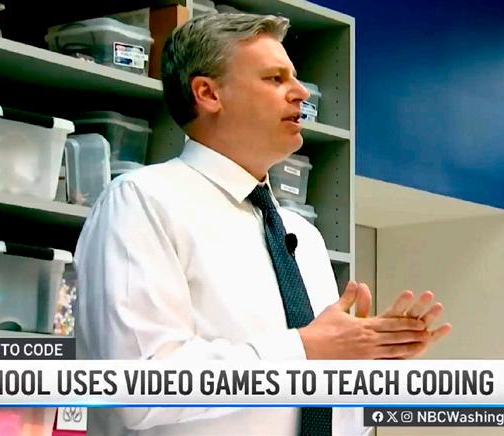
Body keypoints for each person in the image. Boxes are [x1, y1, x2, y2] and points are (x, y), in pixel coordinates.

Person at [74, 12, 451, 436]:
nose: (301, 92)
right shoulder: (144, 201)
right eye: (275, 78)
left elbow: (326, 416)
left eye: (295, 78)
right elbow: (138, 388)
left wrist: (362, 367)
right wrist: (304, 350)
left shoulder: (304, 236)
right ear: (208, 93)